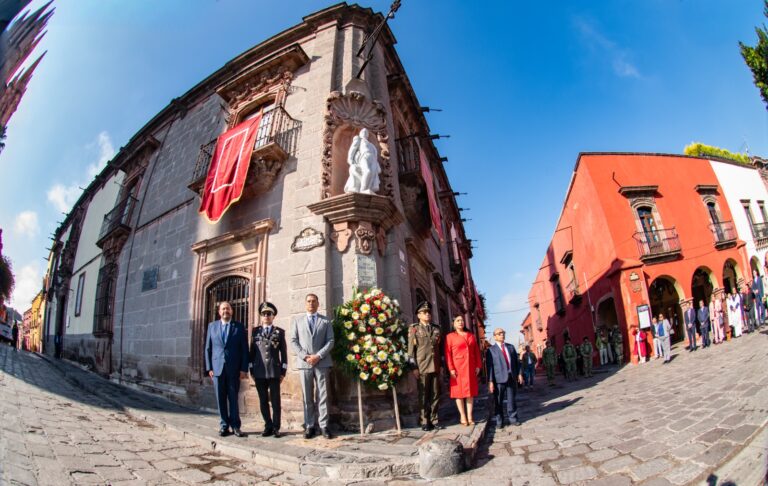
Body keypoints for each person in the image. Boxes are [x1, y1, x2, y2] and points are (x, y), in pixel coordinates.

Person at [290, 293, 334, 439]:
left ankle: (323, 425)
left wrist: (318, 356)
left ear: (318, 303)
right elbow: (293, 341)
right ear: (305, 304)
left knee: (323, 395)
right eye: (308, 301)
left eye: (314, 301)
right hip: (305, 363)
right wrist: (305, 356)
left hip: (322, 362)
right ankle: (309, 426)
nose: (311, 303)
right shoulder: (297, 321)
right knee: (307, 396)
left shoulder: (326, 321)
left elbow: (330, 341)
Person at [204, 301, 249, 437]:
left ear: (232, 311)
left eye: (228, 309)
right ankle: (224, 425)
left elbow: (244, 350)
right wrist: (209, 368)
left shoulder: (239, 327)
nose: (225, 311)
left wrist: (243, 369)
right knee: (220, 398)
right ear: (219, 312)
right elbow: (208, 348)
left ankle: (235, 426)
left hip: (234, 370)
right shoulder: (212, 327)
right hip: (217, 369)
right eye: (223, 309)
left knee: (233, 398)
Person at [249, 302, 287, 438]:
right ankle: (268, 425)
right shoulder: (255, 331)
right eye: (264, 314)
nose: (266, 316)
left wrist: (283, 372)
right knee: (263, 400)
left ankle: (276, 427)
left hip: (274, 372)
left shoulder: (279, 332)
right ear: (261, 316)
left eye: (269, 314)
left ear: (273, 316)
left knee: (276, 401)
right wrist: (251, 370)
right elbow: (251, 352)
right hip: (259, 372)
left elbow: (284, 354)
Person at [408, 301, 442, 431]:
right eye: (424, 312)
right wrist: (414, 368)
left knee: (435, 394)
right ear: (418, 315)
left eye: (428, 312)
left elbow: (440, 349)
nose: (427, 314)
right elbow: (410, 352)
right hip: (422, 366)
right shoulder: (414, 329)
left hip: (435, 365)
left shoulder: (436, 328)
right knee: (423, 395)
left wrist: (442, 365)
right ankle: (424, 420)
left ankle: (434, 419)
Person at [444, 316, 480, 426]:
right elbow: (448, 354)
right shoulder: (450, 337)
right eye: (458, 321)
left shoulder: (471, 336)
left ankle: (470, 416)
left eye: (462, 320)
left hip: (470, 367)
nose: (461, 322)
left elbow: (476, 351)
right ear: (453, 323)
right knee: (459, 393)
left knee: (470, 393)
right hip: (457, 368)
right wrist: (451, 368)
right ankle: (462, 416)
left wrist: (478, 365)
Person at [486, 328, 523, 428]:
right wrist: (490, 381)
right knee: (498, 401)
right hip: (498, 379)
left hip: (511, 377)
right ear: (495, 336)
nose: (502, 335)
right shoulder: (491, 350)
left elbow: (517, 362)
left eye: (503, 333)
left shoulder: (510, 347)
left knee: (511, 400)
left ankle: (513, 418)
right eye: (499, 333)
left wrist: (519, 374)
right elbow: (489, 367)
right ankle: (499, 421)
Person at [344, 128, 381, 195]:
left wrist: (377, 164)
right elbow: (352, 149)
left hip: (373, 159)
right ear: (360, 133)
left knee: (372, 174)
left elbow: (375, 155)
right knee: (367, 171)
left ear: (368, 135)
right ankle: (363, 189)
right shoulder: (359, 139)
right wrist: (350, 159)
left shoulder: (371, 144)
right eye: (363, 131)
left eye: (366, 132)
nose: (365, 132)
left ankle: (368, 188)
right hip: (364, 157)